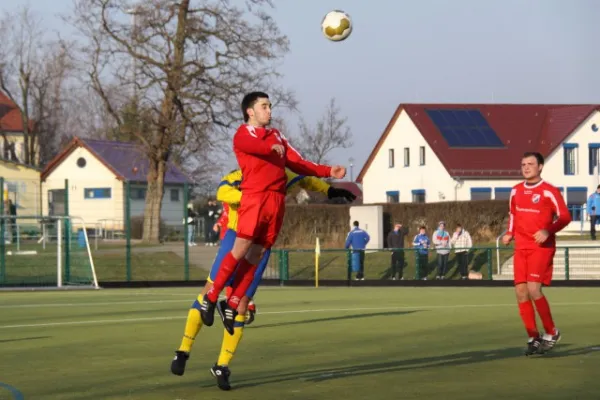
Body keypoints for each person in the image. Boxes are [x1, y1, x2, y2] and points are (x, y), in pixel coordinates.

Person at [170, 167, 355, 388]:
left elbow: (306, 180)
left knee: (242, 305)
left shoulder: (282, 173)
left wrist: (330, 190)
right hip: (236, 237)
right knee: (209, 290)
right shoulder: (241, 173)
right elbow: (222, 191)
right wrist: (251, 200)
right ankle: (183, 351)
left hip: (261, 244)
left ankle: (222, 365)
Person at [198, 92, 345, 353]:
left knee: (258, 254)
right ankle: (211, 297)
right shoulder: (244, 134)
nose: (269, 110)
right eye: (264, 106)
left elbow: (297, 161)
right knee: (241, 247)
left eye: (269, 106)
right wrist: (270, 148)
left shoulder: (277, 135)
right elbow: (255, 148)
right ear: (250, 112)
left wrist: (326, 171)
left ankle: (231, 303)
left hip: (276, 202)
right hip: (255, 198)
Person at [502, 152, 571, 356]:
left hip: (541, 247)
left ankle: (552, 331)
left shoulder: (549, 191)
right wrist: (509, 233)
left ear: (540, 166)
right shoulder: (515, 191)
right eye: (523, 164)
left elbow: (565, 216)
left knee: (533, 289)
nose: (526, 167)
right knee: (520, 292)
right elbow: (513, 214)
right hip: (521, 246)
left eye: (530, 164)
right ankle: (533, 337)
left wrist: (547, 230)